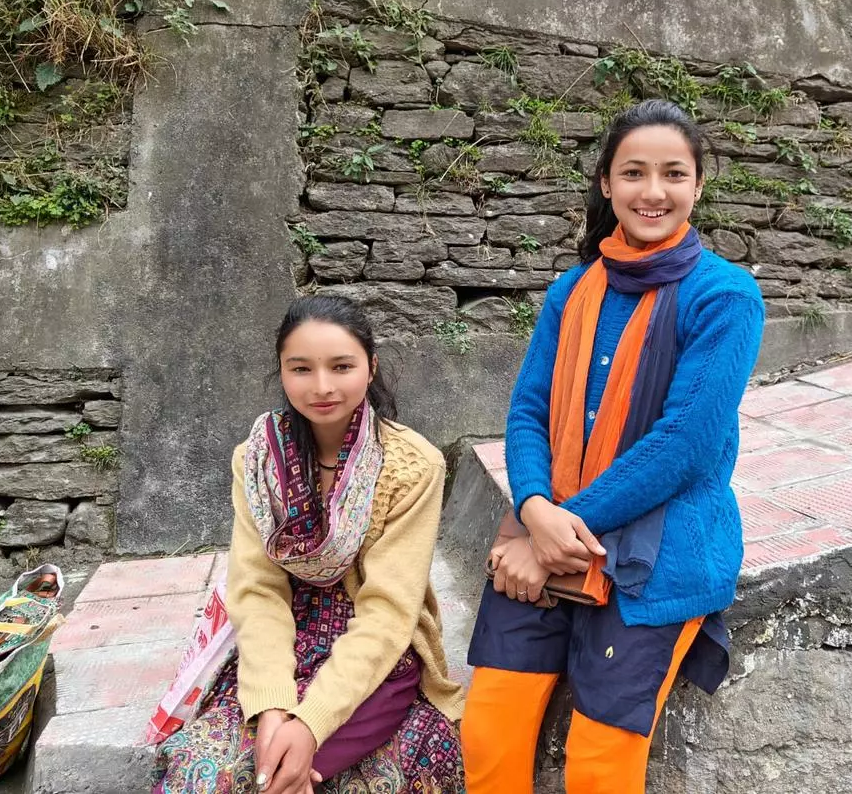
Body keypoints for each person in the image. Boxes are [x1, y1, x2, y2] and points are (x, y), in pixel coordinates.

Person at [460, 99, 766, 794]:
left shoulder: (725, 297)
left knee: (597, 766)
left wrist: (550, 533)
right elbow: (528, 411)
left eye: (672, 174)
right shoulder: (573, 291)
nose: (652, 192)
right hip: (552, 527)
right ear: (606, 183)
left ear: (697, 185)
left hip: (659, 552)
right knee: (487, 734)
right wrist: (535, 505)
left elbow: (684, 446)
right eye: (633, 172)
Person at [153, 296, 465, 794]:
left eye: (341, 366)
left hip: (375, 654)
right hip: (284, 638)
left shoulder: (413, 466)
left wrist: (310, 724)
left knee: (323, 777)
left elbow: (387, 612)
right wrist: (273, 707)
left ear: (371, 367)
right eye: (301, 368)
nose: (322, 387)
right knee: (202, 770)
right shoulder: (256, 460)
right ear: (282, 371)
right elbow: (257, 590)